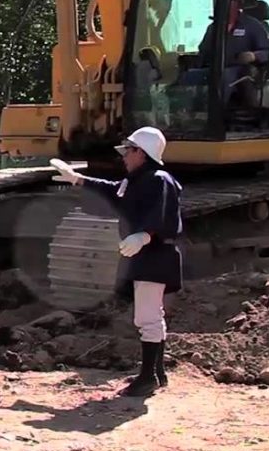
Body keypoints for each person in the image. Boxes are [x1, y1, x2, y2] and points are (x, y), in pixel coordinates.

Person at [51, 126, 183, 397]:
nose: (123, 156)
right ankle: (157, 373)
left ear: (141, 153)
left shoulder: (159, 179)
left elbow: (164, 214)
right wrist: (78, 179)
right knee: (151, 316)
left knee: (147, 317)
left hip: (154, 255)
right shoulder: (136, 180)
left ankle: (147, 378)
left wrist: (144, 236)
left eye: (128, 150)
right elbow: (112, 190)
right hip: (145, 255)